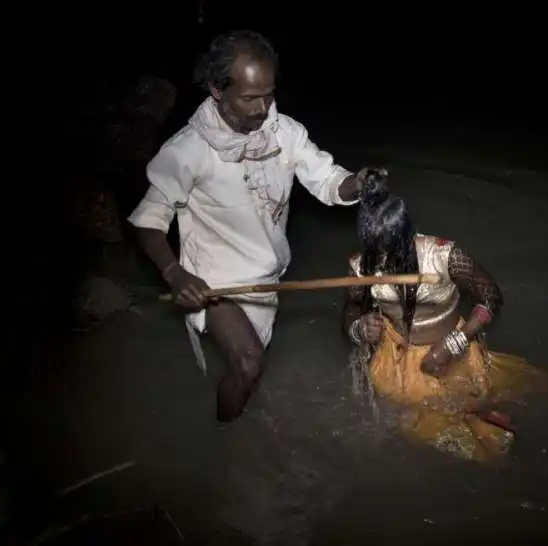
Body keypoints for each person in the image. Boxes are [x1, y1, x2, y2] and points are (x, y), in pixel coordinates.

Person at [128, 30, 373, 422]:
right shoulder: (187, 150)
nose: (262, 109)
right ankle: (223, 447)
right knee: (248, 363)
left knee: (247, 371)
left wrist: (356, 184)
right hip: (214, 283)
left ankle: (229, 428)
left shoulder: (285, 134)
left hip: (266, 280)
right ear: (216, 90)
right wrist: (175, 273)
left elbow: (328, 181)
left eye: (268, 95)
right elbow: (147, 221)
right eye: (248, 98)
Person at [343, 170, 548, 465]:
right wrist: (359, 327)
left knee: (513, 400)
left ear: (407, 236)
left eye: (393, 252)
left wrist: (455, 343)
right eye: (376, 252)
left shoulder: (444, 255)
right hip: (399, 362)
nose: (385, 263)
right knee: (430, 429)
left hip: (456, 351)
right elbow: (350, 310)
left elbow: (492, 296)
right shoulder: (360, 268)